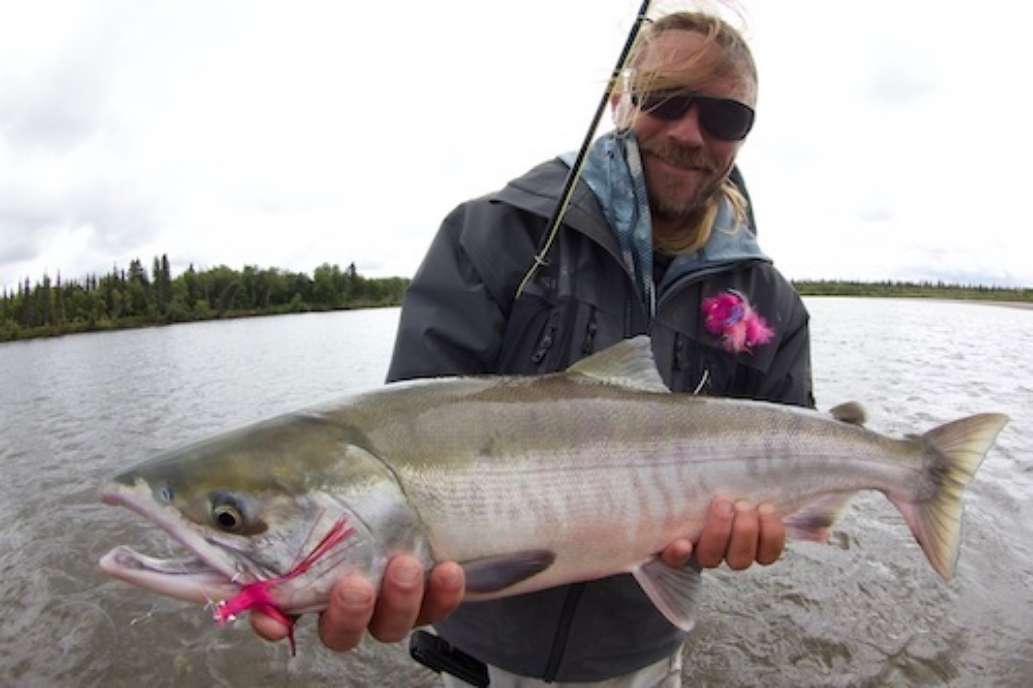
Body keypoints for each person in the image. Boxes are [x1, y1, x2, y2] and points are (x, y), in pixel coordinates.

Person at [254, 9, 814, 687]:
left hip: (637, 660)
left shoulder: (772, 306)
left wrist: (764, 527)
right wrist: (340, 563)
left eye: (725, 118)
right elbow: (400, 450)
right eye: (664, 99)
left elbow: (798, 449)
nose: (689, 131)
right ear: (619, 99)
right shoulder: (492, 236)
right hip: (478, 653)